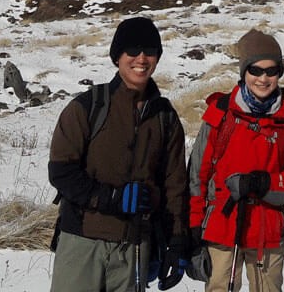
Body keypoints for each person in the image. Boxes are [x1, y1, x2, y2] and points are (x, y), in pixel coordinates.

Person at [48, 16, 190, 292]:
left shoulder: (165, 117)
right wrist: (111, 198)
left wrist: (176, 242)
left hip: (134, 246)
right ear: (117, 57)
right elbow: (61, 172)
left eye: (149, 52)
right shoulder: (87, 107)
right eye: (133, 51)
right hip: (82, 241)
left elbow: (175, 186)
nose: (141, 59)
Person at [187, 29, 284, 292]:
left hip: (268, 230)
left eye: (272, 70)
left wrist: (264, 183)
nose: (263, 78)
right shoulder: (221, 113)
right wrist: (194, 225)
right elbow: (198, 175)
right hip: (222, 226)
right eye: (255, 70)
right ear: (244, 71)